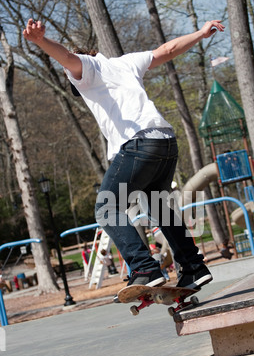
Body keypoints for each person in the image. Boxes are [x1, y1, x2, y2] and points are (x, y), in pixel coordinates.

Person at [23, 18, 225, 291]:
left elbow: (68, 57)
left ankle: (144, 268)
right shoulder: (126, 62)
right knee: (159, 208)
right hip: (166, 141)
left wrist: (40, 41)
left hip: (139, 145)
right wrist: (200, 34)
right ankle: (193, 267)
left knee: (106, 208)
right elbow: (167, 50)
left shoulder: (88, 67)